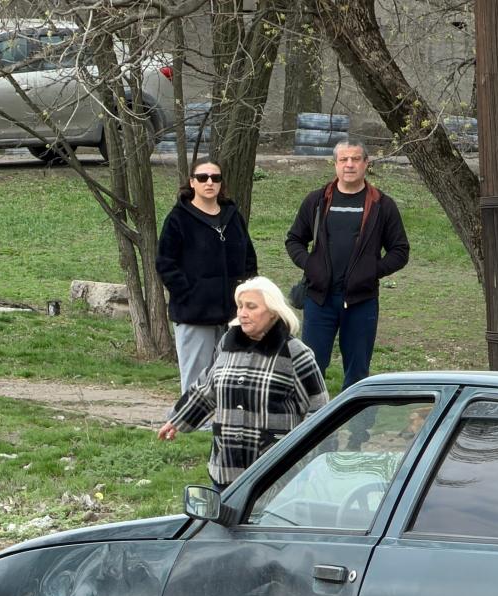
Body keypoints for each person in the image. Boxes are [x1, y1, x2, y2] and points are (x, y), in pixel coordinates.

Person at [157, 277, 328, 488]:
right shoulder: (227, 345)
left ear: (273, 311)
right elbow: (207, 390)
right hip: (225, 467)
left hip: (274, 473)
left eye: (251, 307)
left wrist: (303, 457)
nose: (242, 313)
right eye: (239, 306)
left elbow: (319, 410)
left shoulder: (295, 354)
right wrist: (176, 420)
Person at [284, 141, 410, 391]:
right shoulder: (317, 201)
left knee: (357, 371)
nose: (349, 165)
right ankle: (310, 425)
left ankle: (358, 429)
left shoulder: (381, 205)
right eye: (344, 160)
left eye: (355, 159)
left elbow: (400, 251)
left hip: (361, 301)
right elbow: (294, 239)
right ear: (336, 164)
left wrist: (371, 272)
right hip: (320, 300)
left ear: (366, 164)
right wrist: (311, 265)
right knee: (310, 368)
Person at [154, 160, 257, 393]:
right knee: (197, 380)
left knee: (229, 379)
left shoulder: (232, 216)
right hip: (195, 314)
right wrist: (189, 294)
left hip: (233, 314)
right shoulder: (178, 219)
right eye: (203, 177)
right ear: (192, 182)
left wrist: (248, 295)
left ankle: (222, 426)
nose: (209, 182)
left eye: (215, 178)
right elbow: (165, 263)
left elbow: (249, 259)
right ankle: (195, 427)